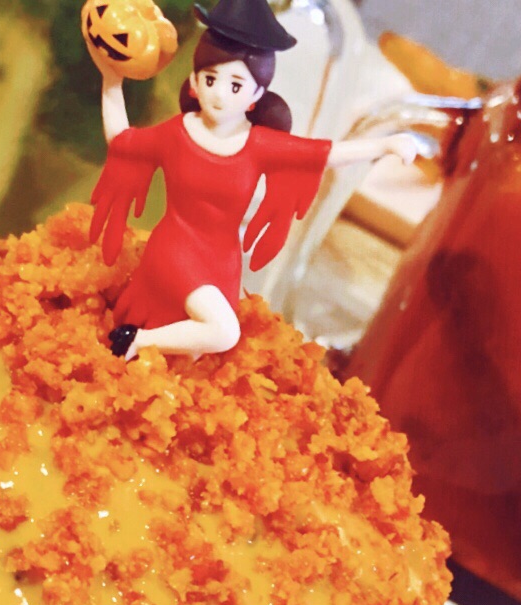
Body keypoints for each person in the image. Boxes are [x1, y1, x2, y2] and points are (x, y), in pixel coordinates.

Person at [89, 0, 420, 359]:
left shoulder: (259, 144)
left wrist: (384, 144)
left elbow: (324, 154)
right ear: (195, 82)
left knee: (196, 352)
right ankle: (136, 341)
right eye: (210, 79)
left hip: (222, 261)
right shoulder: (177, 133)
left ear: (256, 95)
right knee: (223, 332)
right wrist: (111, 80)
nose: (219, 93)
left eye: (235, 85)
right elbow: (122, 141)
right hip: (174, 251)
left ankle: (148, 353)